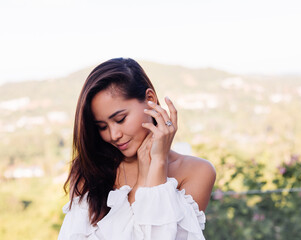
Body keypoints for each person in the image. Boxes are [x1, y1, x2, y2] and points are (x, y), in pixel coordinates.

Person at [58, 58, 216, 240]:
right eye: (102, 126)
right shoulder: (89, 169)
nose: (113, 134)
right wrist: (143, 179)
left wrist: (157, 162)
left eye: (120, 119)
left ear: (150, 99)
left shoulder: (197, 172)